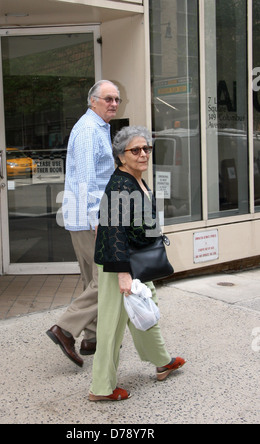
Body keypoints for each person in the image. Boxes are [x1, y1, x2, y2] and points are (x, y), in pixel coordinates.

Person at [89, 126, 186, 401]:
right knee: (112, 325)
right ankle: (101, 388)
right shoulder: (120, 184)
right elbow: (114, 231)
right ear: (121, 156)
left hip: (137, 261)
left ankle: (162, 361)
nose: (143, 154)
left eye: (147, 148)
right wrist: (122, 275)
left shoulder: (137, 179)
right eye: (136, 150)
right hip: (119, 264)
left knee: (147, 310)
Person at [47, 80, 121, 367]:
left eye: (116, 99)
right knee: (107, 280)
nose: (113, 103)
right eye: (108, 99)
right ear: (93, 101)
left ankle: (91, 338)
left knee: (94, 279)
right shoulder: (90, 130)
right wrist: (97, 218)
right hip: (91, 219)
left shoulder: (97, 127)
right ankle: (65, 329)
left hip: (85, 218)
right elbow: (87, 181)